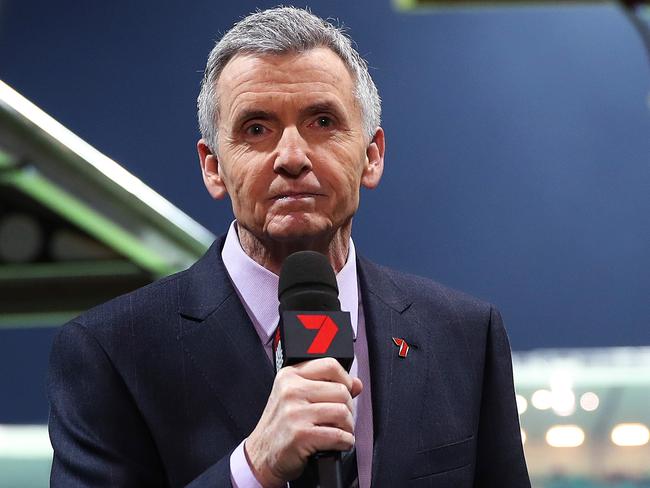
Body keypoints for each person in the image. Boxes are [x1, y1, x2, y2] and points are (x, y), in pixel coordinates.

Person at [47, 7, 530, 488]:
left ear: (372, 155)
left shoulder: (465, 335)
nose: (292, 157)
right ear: (213, 167)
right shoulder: (110, 353)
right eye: (257, 129)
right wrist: (253, 467)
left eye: (322, 121)